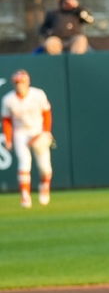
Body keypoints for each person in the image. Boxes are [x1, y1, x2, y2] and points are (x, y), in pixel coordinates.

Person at [1, 70, 54, 208]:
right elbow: (6, 121)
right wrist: (8, 139)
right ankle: (25, 196)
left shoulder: (38, 94)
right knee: (24, 162)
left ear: (28, 82)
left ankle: (44, 186)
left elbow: (47, 113)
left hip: (37, 130)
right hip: (21, 133)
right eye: (17, 83)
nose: (20, 85)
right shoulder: (8, 99)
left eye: (22, 82)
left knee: (44, 167)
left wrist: (46, 132)